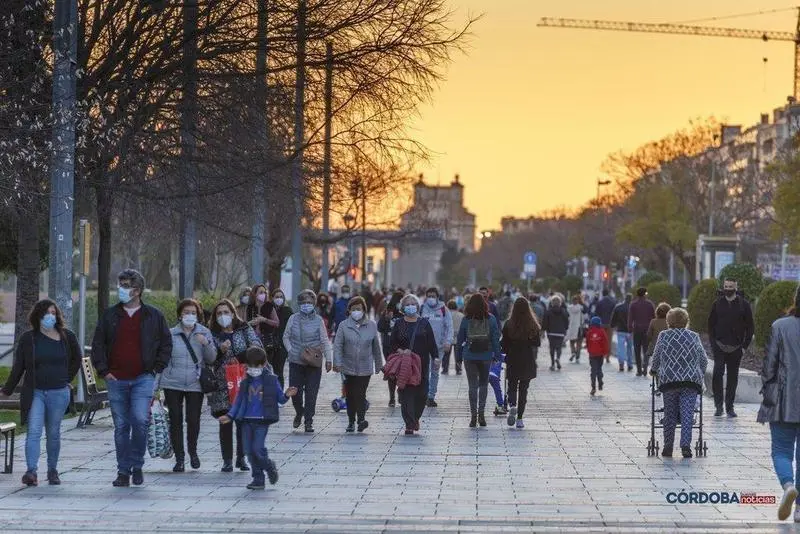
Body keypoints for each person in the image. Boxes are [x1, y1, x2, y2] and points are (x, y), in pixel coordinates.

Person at [91, 269, 172, 487]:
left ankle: (137, 464)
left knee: (140, 420)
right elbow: (98, 344)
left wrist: (156, 368)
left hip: (143, 378)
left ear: (137, 290)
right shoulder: (110, 316)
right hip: (115, 379)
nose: (121, 289)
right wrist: (104, 370)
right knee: (121, 426)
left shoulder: (153, 316)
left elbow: (166, 344)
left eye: (125, 285)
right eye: (120, 285)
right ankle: (123, 471)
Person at [0, 299, 81, 486]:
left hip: (59, 393)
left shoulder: (67, 337)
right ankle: (31, 471)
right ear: (38, 316)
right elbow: (18, 366)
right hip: (35, 392)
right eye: (46, 313)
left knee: (53, 432)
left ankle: (52, 470)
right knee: (34, 431)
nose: (50, 317)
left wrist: (66, 378)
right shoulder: (29, 339)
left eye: (53, 313)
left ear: (57, 316)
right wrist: (7, 390)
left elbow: (76, 359)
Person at [219, 347, 297, 489]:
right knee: (249, 451)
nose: (253, 369)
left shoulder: (271, 380)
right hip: (246, 421)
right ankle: (258, 479)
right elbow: (238, 401)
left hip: (262, 420)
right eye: (250, 366)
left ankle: (269, 466)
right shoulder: (245, 383)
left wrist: (287, 394)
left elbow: (280, 399)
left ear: (263, 364)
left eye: (256, 366)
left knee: (257, 448)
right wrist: (230, 416)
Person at [757, 285, 800, 522]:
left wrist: (768, 389)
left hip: (783, 400)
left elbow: (769, 366)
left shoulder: (779, 326)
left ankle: (788, 486)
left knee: (781, 451)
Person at [160, 298, 217, 473]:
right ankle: (179, 458)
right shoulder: (170, 334)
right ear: (179, 315)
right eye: (186, 312)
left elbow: (212, 358)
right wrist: (156, 386)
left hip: (195, 383)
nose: (189, 316)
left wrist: (205, 343)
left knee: (193, 420)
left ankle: (193, 452)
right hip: (172, 383)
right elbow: (162, 360)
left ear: (198, 315)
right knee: (175, 420)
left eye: (193, 313)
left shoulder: (204, 332)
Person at [208, 299, 263, 472]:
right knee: (225, 421)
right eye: (219, 313)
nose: (223, 316)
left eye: (226, 312)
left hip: (242, 381)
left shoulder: (243, 328)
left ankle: (241, 458)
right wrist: (220, 351)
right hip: (222, 383)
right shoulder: (212, 334)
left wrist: (240, 357)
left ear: (233, 313)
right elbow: (207, 358)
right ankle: (227, 460)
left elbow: (256, 346)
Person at [649, 308, 708, 458]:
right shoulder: (694, 336)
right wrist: (698, 372)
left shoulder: (664, 336)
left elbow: (656, 357)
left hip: (669, 382)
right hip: (690, 382)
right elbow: (703, 360)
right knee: (688, 414)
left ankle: (668, 446)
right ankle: (685, 446)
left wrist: (653, 370)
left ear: (669, 321)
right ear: (686, 321)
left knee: (670, 413)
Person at [283, 289, 333, 433]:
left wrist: (329, 359)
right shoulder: (293, 318)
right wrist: (291, 350)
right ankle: (299, 412)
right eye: (303, 302)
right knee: (296, 393)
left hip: (313, 363)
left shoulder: (318, 321)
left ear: (314, 304)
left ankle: (309, 421)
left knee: (311, 393)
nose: (306, 305)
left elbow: (324, 340)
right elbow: (285, 337)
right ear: (299, 304)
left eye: (309, 302)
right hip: (296, 362)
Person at [389, 294, 438, 435]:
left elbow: (432, 344)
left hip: (422, 364)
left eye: (413, 304)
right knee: (406, 394)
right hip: (405, 364)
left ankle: (416, 417)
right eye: (407, 304)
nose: (411, 306)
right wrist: (401, 351)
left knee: (422, 394)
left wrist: (436, 357)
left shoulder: (424, 323)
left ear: (417, 306)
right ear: (403, 307)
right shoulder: (399, 324)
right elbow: (392, 344)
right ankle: (409, 423)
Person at [332, 296, 383, 433]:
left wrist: (379, 365)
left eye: (358, 309)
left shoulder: (371, 325)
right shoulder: (343, 325)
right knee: (350, 395)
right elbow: (337, 345)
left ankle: (361, 419)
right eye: (353, 309)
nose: (356, 311)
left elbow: (376, 347)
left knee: (360, 394)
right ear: (349, 310)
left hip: (365, 367)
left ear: (364, 310)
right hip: (347, 367)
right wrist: (337, 363)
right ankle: (351, 422)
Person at [708, 278, 754, 418]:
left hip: (736, 347)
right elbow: (711, 324)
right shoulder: (717, 304)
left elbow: (750, 326)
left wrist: (744, 347)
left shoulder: (744, 305)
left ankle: (729, 407)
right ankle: (718, 406)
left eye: (730, 286)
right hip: (719, 346)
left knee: (733, 378)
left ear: (736, 287)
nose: (728, 289)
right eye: (726, 286)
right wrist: (713, 343)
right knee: (717, 374)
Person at [456, 294, 501, 428]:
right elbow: (495, 338)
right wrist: (497, 355)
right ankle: (481, 414)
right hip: (486, 355)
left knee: (472, 386)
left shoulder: (466, 319)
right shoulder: (491, 319)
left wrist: (458, 357)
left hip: (469, 356)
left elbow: (460, 340)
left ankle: (473, 416)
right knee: (483, 385)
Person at [501, 297, 539, 429]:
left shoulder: (508, 324)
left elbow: (504, 345)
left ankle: (512, 405)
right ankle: (520, 419)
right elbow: (537, 343)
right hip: (527, 359)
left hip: (513, 359)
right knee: (524, 389)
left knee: (512, 385)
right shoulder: (532, 324)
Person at [420, 287, 453, 407]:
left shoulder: (444, 310)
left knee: (434, 372)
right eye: (429, 296)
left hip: (438, 348)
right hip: (423, 347)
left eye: (433, 296)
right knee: (424, 371)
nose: (431, 298)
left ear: (437, 297)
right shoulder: (422, 309)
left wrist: (448, 342)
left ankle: (431, 396)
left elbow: (449, 327)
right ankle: (423, 394)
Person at [245, 284, 280, 359]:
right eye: (261, 292)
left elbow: (277, 323)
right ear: (254, 294)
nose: (263, 294)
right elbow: (244, 324)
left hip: (267, 341)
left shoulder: (269, 306)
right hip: (252, 341)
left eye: (264, 292)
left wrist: (264, 320)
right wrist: (250, 323)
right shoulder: (250, 307)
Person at [628, 287, 656, 376]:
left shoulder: (633, 304)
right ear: (645, 294)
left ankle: (639, 370)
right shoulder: (650, 304)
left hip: (637, 330)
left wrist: (630, 329)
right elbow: (654, 317)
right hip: (647, 330)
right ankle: (645, 368)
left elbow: (630, 318)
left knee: (637, 350)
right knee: (646, 350)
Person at [271, 288, 293, 388]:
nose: (279, 299)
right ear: (272, 298)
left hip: (282, 345)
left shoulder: (287, 311)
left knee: (279, 370)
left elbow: (292, 328)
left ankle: (279, 394)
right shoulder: (269, 310)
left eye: (281, 297)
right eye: (276, 297)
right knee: (270, 370)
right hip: (269, 344)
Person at [542, 295, 569, 371]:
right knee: (559, 347)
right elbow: (566, 321)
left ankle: (553, 364)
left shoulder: (548, 311)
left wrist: (544, 330)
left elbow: (545, 322)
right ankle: (558, 358)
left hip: (551, 333)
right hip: (560, 332)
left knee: (552, 348)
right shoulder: (564, 311)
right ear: (560, 303)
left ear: (552, 303)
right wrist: (565, 328)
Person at [645, 303, 672, 374]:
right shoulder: (670, 322)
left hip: (655, 347)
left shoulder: (653, 321)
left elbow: (649, 335)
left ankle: (652, 370)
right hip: (668, 347)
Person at [585, 316, 609, 396]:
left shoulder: (589, 332)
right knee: (599, 369)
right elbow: (605, 342)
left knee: (593, 371)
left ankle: (593, 387)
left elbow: (588, 342)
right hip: (600, 355)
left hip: (592, 355)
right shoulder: (602, 332)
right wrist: (605, 352)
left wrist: (589, 350)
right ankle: (600, 382)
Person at [610, 294, 633, 372]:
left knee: (621, 348)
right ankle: (630, 364)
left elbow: (613, 319)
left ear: (625, 298)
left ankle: (621, 364)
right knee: (630, 348)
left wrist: (612, 325)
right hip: (630, 331)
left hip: (620, 330)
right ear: (631, 299)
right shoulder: (633, 307)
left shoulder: (618, 307)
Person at [594, 289, 617, 363]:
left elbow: (596, 314)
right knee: (608, 341)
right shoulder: (613, 302)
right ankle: (607, 357)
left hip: (601, 324)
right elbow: (614, 313)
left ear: (602, 294)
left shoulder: (599, 303)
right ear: (608, 293)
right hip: (610, 324)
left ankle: (601, 356)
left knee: (601, 340)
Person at [444, 300, 465, 375]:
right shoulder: (461, 315)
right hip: (458, 337)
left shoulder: (445, 315)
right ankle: (458, 369)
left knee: (446, 354)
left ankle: (445, 369)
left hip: (447, 337)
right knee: (458, 354)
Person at [566, 295, 584, 362]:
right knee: (579, 343)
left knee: (572, 342)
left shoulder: (569, 308)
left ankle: (573, 352)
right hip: (579, 327)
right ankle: (577, 357)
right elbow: (583, 318)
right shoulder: (581, 308)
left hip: (571, 327)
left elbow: (567, 317)